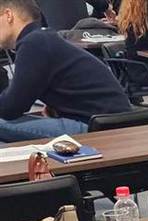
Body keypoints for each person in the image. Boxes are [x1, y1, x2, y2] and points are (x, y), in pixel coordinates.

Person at [0, 0, 131, 142]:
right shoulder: (43, 39)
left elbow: (11, 108)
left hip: (98, 128)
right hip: (112, 122)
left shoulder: (33, 43)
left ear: (8, 15)